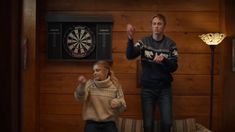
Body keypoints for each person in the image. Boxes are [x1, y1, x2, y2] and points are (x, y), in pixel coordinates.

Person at [125, 14, 178, 132]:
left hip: (164, 89)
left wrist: (164, 60)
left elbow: (174, 67)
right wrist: (130, 38)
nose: (156, 26)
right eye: (154, 24)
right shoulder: (144, 42)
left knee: (167, 123)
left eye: (159, 24)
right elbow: (130, 55)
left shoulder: (171, 44)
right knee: (148, 125)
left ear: (164, 26)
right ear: (151, 26)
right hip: (147, 89)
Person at [74, 60, 126, 132]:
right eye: (94, 71)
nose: (94, 73)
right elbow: (80, 98)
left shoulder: (116, 86)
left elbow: (123, 106)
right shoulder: (89, 84)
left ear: (106, 71)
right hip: (91, 123)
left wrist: (118, 103)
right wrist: (82, 85)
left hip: (109, 123)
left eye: (97, 70)